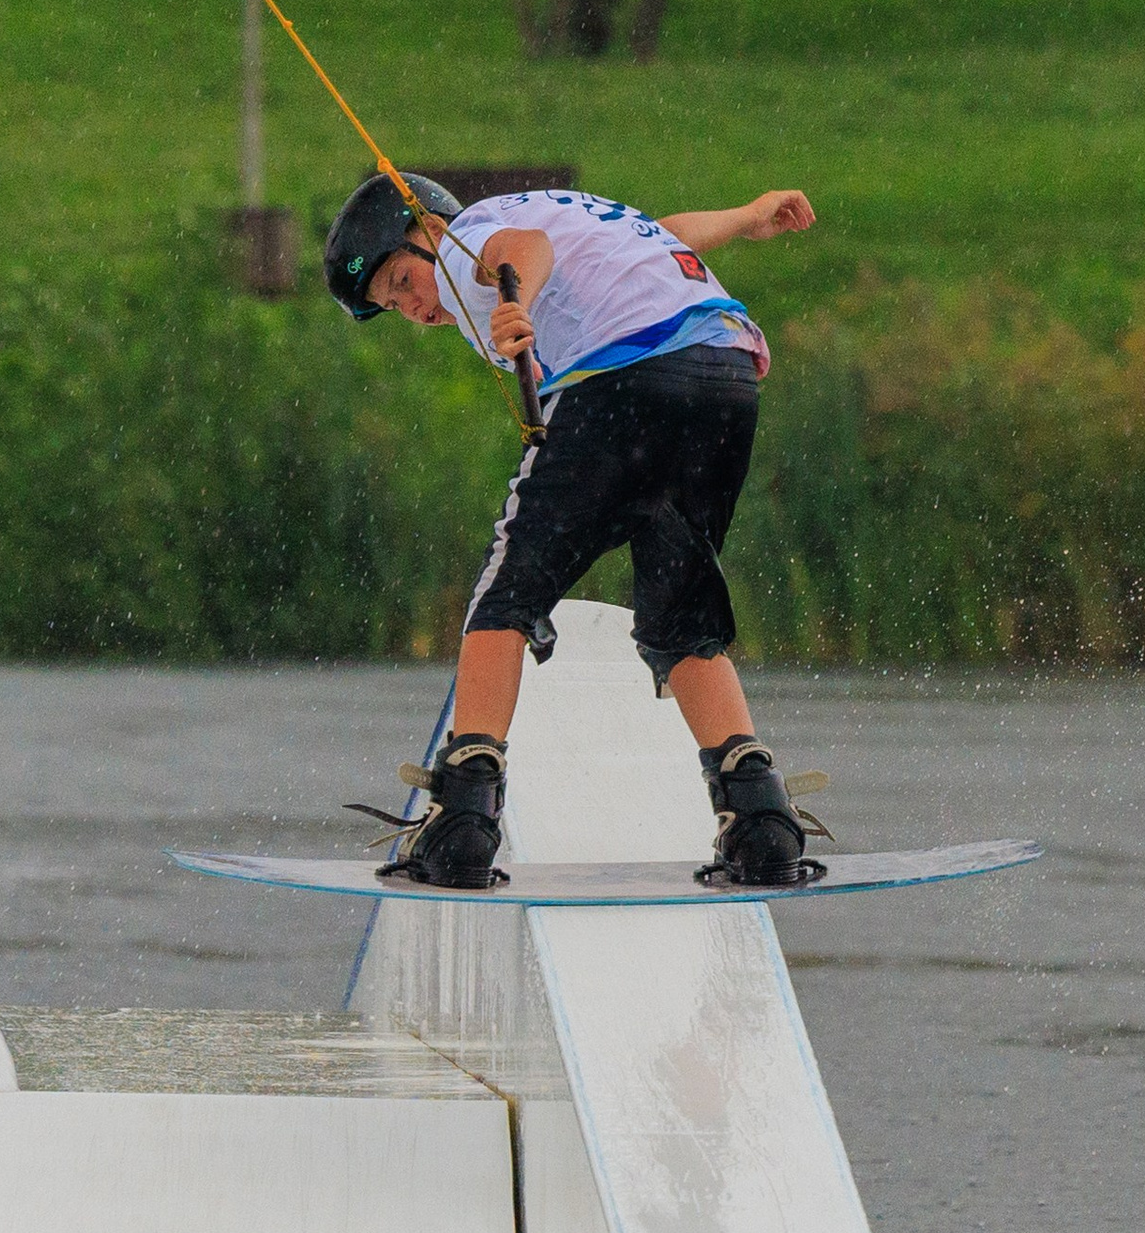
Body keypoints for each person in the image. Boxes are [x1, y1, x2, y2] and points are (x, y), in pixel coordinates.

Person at [322, 168, 820, 888]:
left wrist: (511, 299)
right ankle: (758, 816)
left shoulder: (467, 236)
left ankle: (464, 814)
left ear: (424, 230)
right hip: (725, 373)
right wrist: (746, 214)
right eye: (392, 306)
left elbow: (516, 251)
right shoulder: (574, 212)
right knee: (679, 615)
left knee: (505, 593)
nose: (413, 309)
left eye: (401, 282)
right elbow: (669, 235)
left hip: (628, 381)